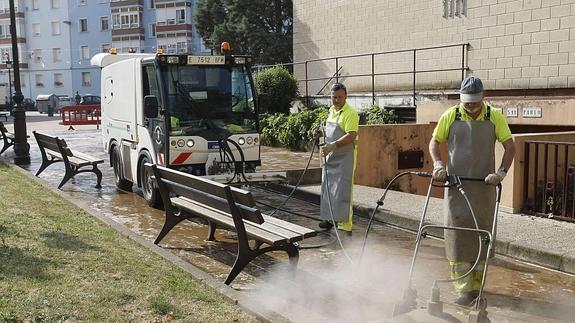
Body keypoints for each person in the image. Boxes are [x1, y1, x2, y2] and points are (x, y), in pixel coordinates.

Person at [429, 76, 515, 306]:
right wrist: (438, 165)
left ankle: (477, 286)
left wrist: (501, 173)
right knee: (458, 237)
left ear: (483, 97)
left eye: (475, 103)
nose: (471, 107)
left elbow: (510, 145)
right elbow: (434, 142)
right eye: (467, 103)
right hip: (456, 187)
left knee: (481, 235)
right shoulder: (451, 115)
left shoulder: (494, 116)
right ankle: (463, 288)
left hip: (484, 187)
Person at [319, 83, 359, 234]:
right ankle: (330, 218)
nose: (337, 100)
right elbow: (329, 130)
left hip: (345, 157)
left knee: (343, 190)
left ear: (346, 96)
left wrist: (333, 145)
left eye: (340, 97)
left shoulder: (350, 113)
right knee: (328, 187)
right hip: (331, 155)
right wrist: (320, 133)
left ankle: (345, 224)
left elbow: (351, 135)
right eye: (334, 97)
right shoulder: (331, 111)